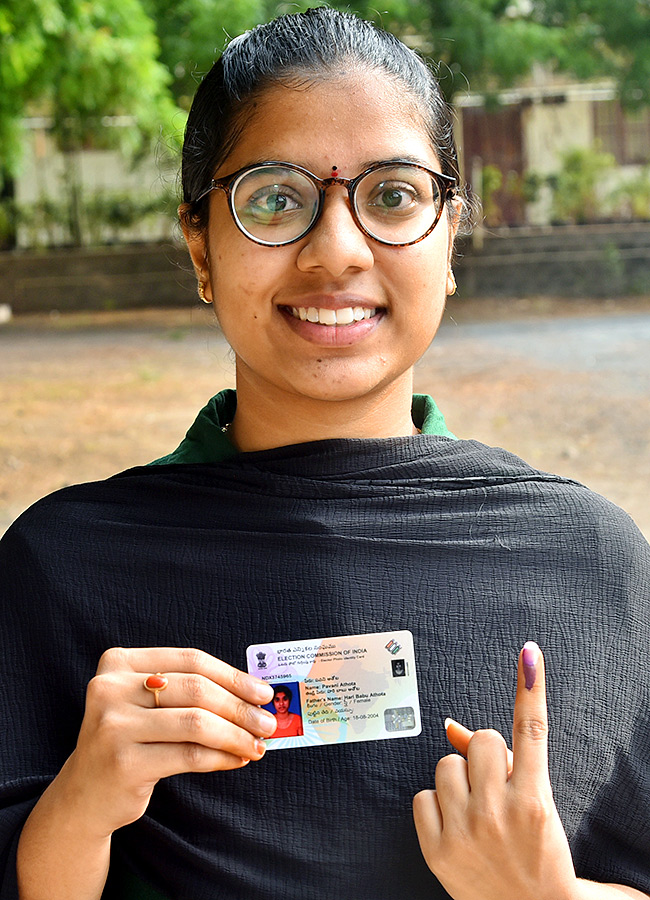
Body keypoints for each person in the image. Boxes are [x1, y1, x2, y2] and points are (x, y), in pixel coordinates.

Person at [1, 7, 649, 900]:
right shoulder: (62, 566)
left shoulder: (592, 564)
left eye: (392, 195)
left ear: (449, 232)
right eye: (274, 198)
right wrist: (78, 807)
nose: (336, 251)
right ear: (199, 244)